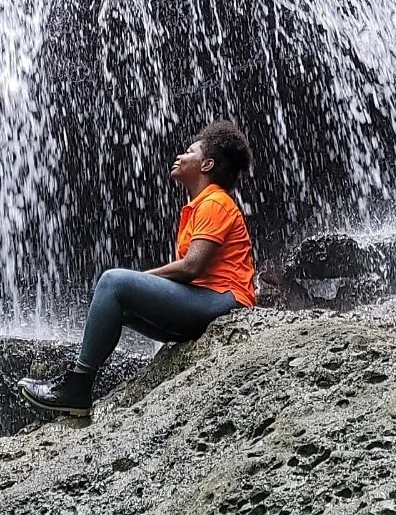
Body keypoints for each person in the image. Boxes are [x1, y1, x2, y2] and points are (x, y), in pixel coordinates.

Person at [19, 118, 256, 424]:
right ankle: (79, 386)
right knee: (119, 307)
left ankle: (78, 385)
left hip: (224, 301)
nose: (180, 156)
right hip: (206, 300)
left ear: (206, 164)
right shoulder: (200, 205)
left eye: (189, 152)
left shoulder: (215, 203)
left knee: (113, 282)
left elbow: (191, 267)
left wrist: (141, 280)